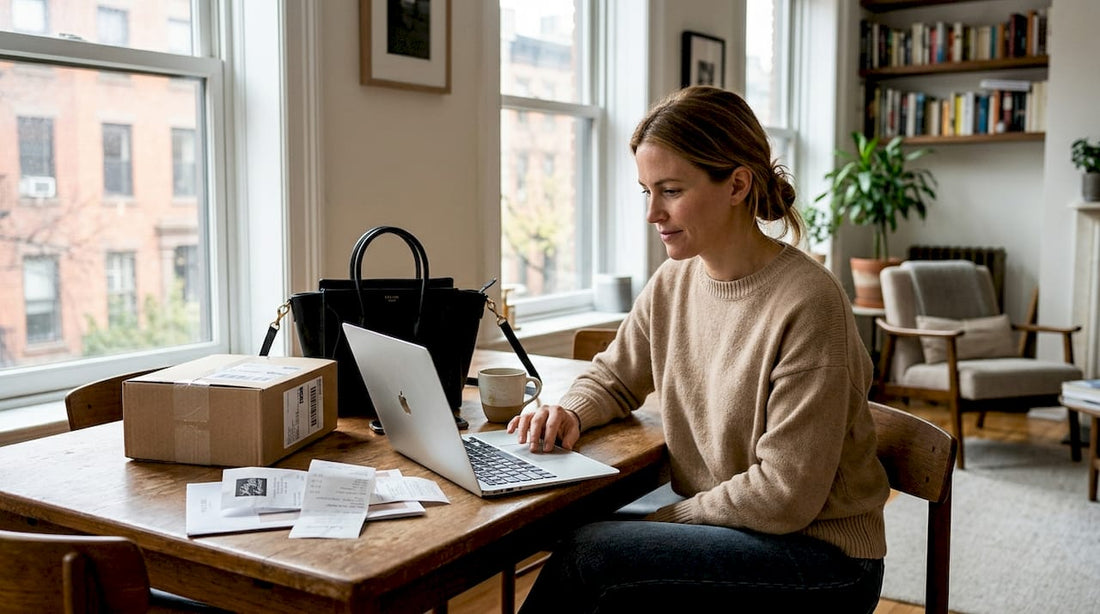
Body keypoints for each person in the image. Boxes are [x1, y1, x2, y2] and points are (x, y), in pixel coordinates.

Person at [508, 85, 890, 613]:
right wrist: (568, 412)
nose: (653, 214)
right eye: (646, 191)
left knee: (591, 558)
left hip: (821, 557)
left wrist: (667, 523)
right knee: (569, 533)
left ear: (737, 185)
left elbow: (783, 493)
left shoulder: (809, 303)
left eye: (670, 190)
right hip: (734, 524)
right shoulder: (674, 281)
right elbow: (614, 378)